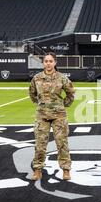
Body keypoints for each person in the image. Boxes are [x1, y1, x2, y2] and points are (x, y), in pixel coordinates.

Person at [29, 52, 75, 181]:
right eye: (46, 61)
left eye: (50, 61)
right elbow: (32, 93)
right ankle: (38, 170)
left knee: (62, 143)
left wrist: (62, 104)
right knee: (40, 144)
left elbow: (71, 93)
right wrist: (41, 104)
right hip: (42, 115)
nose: (48, 63)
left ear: (55, 62)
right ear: (43, 63)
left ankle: (66, 170)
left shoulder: (62, 78)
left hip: (59, 115)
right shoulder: (37, 78)